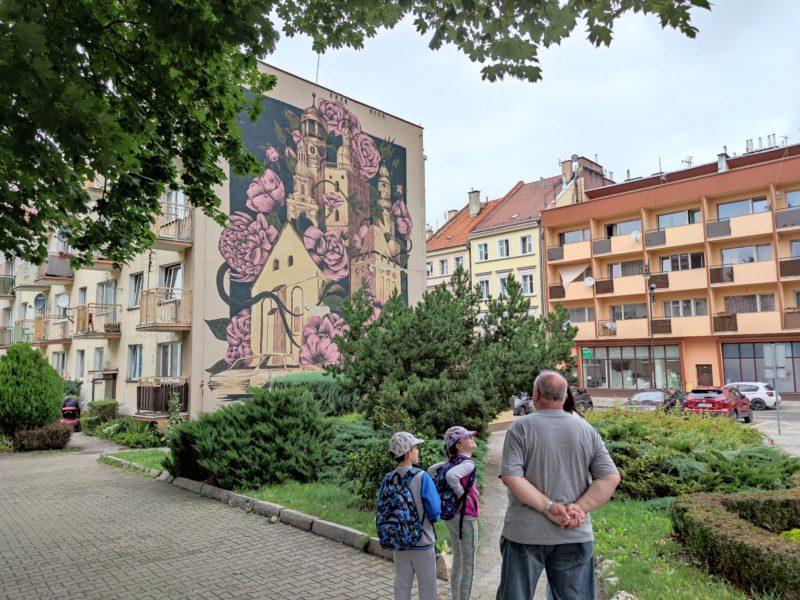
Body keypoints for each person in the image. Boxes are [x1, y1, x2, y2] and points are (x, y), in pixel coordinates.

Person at [497, 370, 621, 600]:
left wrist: (550, 508)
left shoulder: (520, 428)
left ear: (535, 395)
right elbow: (610, 477)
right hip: (574, 533)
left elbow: (511, 477)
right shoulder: (586, 430)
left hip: (525, 534)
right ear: (564, 397)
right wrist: (579, 508)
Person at [376, 432, 441, 600]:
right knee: (427, 585)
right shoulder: (422, 477)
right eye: (415, 448)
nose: (418, 451)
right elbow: (434, 512)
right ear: (408, 453)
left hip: (399, 543)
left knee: (402, 583)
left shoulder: (388, 478)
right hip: (423, 543)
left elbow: (381, 508)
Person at [428, 426, 480, 600]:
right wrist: (463, 495)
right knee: (469, 564)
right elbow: (451, 476)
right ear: (459, 445)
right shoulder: (467, 463)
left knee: (458, 558)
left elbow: (432, 470)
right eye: (468, 437)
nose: (473, 438)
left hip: (452, 516)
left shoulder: (453, 461)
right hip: (466, 516)